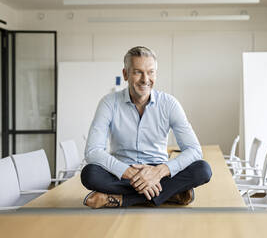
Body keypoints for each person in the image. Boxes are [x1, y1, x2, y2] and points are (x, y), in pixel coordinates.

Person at [81, 46, 212, 208]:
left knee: (202, 169)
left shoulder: (169, 104)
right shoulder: (109, 103)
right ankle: (171, 193)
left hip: (160, 173)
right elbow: (93, 151)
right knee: (90, 174)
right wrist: (132, 174)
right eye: (138, 72)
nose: (145, 79)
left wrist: (158, 172)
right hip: (123, 173)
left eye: (150, 72)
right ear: (125, 74)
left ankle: (121, 199)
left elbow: (194, 150)